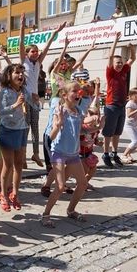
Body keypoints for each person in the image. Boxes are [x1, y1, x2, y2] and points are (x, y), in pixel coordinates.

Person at [19, 16, 66, 167]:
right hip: (25, 98)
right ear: (27, 53)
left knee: (35, 128)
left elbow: (47, 47)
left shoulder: (38, 63)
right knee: (25, 128)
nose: (36, 53)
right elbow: (21, 43)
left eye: (37, 51)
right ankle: (23, 156)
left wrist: (56, 32)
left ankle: (36, 154)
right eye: (33, 51)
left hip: (35, 99)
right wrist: (22, 26)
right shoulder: (24, 61)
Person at [42, 82, 87, 228]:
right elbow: (52, 136)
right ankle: (46, 214)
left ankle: (71, 210)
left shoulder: (79, 111)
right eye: (74, 91)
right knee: (60, 186)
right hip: (59, 152)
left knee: (82, 184)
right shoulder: (60, 110)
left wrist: (97, 128)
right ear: (64, 95)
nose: (78, 94)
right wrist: (59, 123)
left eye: (79, 91)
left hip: (73, 153)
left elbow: (78, 131)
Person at [0, 63, 38, 211]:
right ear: (9, 76)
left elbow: (35, 107)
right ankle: (3, 194)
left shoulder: (24, 90)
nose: (20, 75)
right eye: (17, 73)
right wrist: (15, 105)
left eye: (22, 73)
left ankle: (15, 193)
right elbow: (1, 112)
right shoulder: (4, 91)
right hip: (7, 130)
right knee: (8, 165)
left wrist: (36, 101)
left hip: (21, 129)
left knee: (19, 164)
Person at [102, 32, 136, 168]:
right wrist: (115, 40)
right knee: (108, 133)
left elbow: (132, 58)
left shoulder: (123, 71)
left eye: (121, 62)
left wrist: (132, 48)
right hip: (111, 106)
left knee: (117, 132)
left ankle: (114, 153)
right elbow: (110, 56)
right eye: (117, 63)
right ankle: (105, 154)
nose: (120, 64)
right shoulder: (110, 73)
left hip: (121, 106)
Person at [122, 88, 137, 164]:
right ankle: (124, 155)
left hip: (134, 125)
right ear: (131, 96)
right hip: (128, 125)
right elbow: (129, 115)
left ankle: (129, 154)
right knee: (135, 141)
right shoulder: (130, 104)